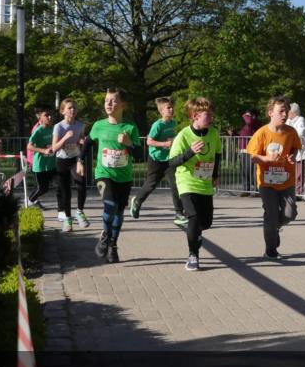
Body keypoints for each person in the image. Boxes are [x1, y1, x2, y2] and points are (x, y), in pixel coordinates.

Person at [168, 97, 222, 271]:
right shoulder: (184, 135)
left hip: (205, 183)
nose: (211, 117)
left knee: (206, 222)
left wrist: (215, 174)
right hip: (187, 182)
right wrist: (190, 152)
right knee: (194, 217)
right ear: (194, 115)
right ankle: (193, 255)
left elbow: (218, 154)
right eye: (207, 114)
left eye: (211, 113)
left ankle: (196, 234)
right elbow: (172, 162)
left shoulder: (213, 133)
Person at [89, 88, 141, 263]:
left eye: (113, 100)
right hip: (104, 174)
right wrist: (80, 161)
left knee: (119, 211)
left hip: (124, 177)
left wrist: (129, 143)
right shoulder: (98, 125)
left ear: (123, 105)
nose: (108, 104)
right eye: (106, 100)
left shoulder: (130, 127)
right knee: (109, 205)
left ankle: (113, 245)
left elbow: (140, 155)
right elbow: (88, 143)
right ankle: (105, 236)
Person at [246, 96, 302, 259]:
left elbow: (295, 148)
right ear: (270, 113)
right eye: (281, 111)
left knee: (289, 214)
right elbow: (253, 156)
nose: (285, 114)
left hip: (286, 180)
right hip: (267, 182)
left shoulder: (291, 132)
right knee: (270, 214)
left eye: (286, 111)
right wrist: (267, 159)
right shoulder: (261, 133)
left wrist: (292, 156)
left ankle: (272, 228)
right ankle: (271, 249)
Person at [130, 97, 187, 225]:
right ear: (161, 111)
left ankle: (179, 213)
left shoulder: (173, 123)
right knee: (151, 184)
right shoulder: (158, 125)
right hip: (156, 159)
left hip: (169, 159)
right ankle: (137, 201)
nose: (171, 109)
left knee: (175, 185)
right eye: (168, 107)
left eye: (172, 107)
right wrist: (164, 144)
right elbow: (149, 141)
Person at [52, 98, 89, 232]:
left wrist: (82, 140)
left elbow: (81, 139)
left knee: (81, 183)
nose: (72, 110)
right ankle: (68, 220)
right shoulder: (59, 127)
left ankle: (79, 212)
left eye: (74, 108)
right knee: (65, 192)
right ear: (63, 111)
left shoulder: (80, 125)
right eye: (69, 108)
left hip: (76, 159)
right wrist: (65, 137)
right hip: (62, 161)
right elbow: (54, 147)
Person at [26, 106, 56, 209]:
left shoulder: (53, 129)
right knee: (43, 188)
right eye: (46, 115)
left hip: (51, 164)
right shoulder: (38, 130)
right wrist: (44, 150)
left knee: (50, 186)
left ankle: (63, 208)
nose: (49, 117)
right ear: (40, 118)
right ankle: (29, 201)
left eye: (50, 114)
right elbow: (29, 146)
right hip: (39, 165)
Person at [286, 102, 305, 197]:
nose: (287, 113)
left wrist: (289, 134)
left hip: (301, 151)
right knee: (290, 172)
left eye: (288, 111)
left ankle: (298, 192)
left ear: (293, 112)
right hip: (290, 150)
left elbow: (300, 133)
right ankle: (291, 190)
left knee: (299, 174)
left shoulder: (301, 120)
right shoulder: (288, 121)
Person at [238, 110, 259, 195]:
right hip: (243, 150)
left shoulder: (254, 122)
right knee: (244, 171)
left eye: (248, 115)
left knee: (252, 171)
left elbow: (249, 121)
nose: (246, 116)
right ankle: (246, 189)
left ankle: (257, 190)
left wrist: (245, 115)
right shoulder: (247, 125)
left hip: (251, 150)